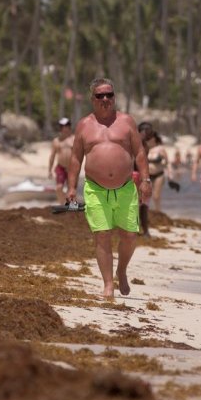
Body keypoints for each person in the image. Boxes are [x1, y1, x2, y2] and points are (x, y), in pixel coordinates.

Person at [68, 78, 151, 300]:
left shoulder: (126, 121)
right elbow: (75, 158)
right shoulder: (84, 125)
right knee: (102, 235)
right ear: (92, 99)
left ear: (114, 97)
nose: (105, 99)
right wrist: (71, 188)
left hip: (125, 188)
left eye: (109, 95)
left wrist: (146, 180)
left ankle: (121, 271)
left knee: (130, 236)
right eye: (100, 95)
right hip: (95, 189)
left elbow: (139, 152)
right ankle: (107, 284)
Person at [48, 117, 75, 205]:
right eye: (62, 126)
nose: (64, 128)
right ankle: (62, 205)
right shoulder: (56, 141)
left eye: (66, 126)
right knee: (59, 188)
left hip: (72, 168)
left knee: (71, 189)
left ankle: (72, 207)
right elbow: (52, 156)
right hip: (61, 167)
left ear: (69, 127)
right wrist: (49, 170)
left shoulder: (74, 139)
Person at [144, 127, 169, 213]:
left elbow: (166, 162)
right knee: (145, 195)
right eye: (147, 138)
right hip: (147, 175)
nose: (149, 140)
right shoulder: (145, 149)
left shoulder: (160, 149)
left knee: (156, 196)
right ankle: (146, 213)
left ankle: (158, 212)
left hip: (159, 174)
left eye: (151, 138)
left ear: (155, 138)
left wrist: (161, 163)